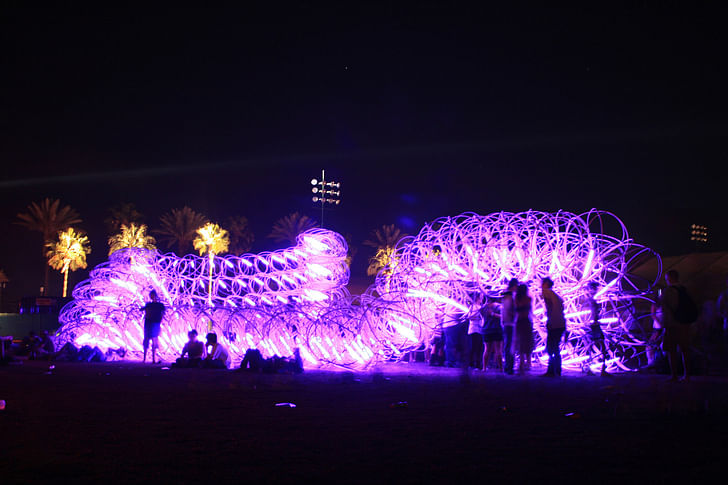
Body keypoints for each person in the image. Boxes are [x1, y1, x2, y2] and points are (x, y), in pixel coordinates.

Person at [659, 270, 693, 382]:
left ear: (669, 278)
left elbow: (665, 308)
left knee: (672, 350)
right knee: (685, 350)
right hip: (685, 324)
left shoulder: (667, 291)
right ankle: (687, 375)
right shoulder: (685, 289)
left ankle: (674, 375)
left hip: (672, 325)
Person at [541, 277, 566, 377]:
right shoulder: (556, 295)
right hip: (561, 323)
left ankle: (552, 371)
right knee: (554, 347)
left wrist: (549, 320)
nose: (541, 285)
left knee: (551, 347)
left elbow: (549, 308)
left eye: (543, 283)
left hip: (554, 323)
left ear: (546, 284)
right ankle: (557, 370)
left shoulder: (546, 292)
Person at [584, 282, 608, 376]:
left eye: (596, 288)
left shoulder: (592, 300)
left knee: (595, 345)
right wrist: (595, 321)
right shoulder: (592, 300)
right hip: (595, 326)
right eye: (595, 288)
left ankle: (594, 368)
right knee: (600, 346)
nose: (597, 290)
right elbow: (593, 313)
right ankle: (601, 370)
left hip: (595, 325)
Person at [513, 284, 534, 373]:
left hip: (519, 321)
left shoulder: (516, 299)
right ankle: (528, 363)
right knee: (527, 342)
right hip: (527, 321)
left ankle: (521, 363)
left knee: (521, 342)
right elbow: (530, 311)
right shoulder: (528, 299)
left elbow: (515, 311)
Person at [141, 290, 165, 363]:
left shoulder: (159, 305)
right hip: (149, 323)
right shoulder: (149, 305)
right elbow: (142, 309)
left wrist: (160, 321)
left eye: (152, 295)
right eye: (151, 295)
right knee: (147, 340)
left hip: (155, 323)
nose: (151, 297)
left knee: (154, 341)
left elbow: (162, 313)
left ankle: (153, 359)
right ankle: (145, 359)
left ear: (155, 296)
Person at [501, 278, 518, 374]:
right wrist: (516, 315)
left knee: (508, 345)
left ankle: (508, 367)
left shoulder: (505, 295)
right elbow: (509, 310)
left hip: (506, 323)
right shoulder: (509, 296)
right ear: (514, 286)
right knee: (510, 346)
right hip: (510, 324)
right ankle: (509, 367)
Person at [482, 299, 504, 371]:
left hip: (486, 329)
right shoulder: (500, 307)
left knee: (487, 349)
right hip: (497, 329)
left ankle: (484, 368)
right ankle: (501, 368)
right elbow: (503, 317)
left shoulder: (484, 307)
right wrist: (493, 314)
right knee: (498, 350)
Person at [467, 293, 485, 369]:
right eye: (481, 297)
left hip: (478, 329)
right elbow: (470, 317)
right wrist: (479, 316)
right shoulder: (474, 307)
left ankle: (476, 364)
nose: (482, 299)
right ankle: (473, 364)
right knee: (475, 348)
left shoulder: (478, 307)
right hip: (475, 329)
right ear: (477, 298)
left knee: (478, 348)